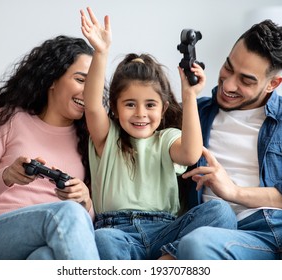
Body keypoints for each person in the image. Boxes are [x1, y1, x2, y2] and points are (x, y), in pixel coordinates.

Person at [79, 7, 237, 260]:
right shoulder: (107, 138)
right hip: (117, 231)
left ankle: (167, 260)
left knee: (220, 212)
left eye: (150, 105)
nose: (140, 113)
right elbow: (92, 105)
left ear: (163, 109)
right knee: (102, 239)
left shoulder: (167, 138)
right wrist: (101, 52)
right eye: (130, 104)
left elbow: (190, 153)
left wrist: (189, 94)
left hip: (165, 230)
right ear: (116, 108)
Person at [177, 19, 282, 259]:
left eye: (246, 80)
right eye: (228, 67)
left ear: (272, 84)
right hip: (235, 235)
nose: (228, 84)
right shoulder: (193, 114)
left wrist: (235, 192)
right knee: (196, 243)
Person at [0, 35, 100, 260]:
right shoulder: (11, 119)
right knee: (68, 214)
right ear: (52, 78)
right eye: (81, 80)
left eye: (94, 83)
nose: (89, 91)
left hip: (46, 243)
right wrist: (7, 176)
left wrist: (86, 202)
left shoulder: (89, 139)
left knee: (45, 258)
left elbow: (81, 231)